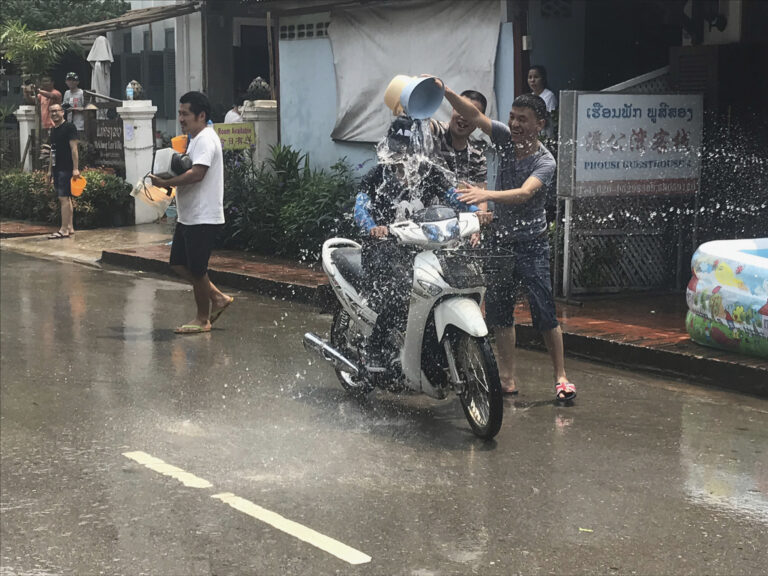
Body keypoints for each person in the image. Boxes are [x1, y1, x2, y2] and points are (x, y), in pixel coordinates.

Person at [437, 80, 576, 402]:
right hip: (498, 243)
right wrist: (445, 92)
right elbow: (472, 114)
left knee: (545, 312)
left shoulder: (545, 161)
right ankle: (507, 377)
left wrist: (486, 194)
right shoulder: (501, 138)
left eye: (523, 119)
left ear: (539, 124)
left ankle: (561, 376)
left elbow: (525, 193)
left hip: (532, 244)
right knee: (499, 313)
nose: (514, 124)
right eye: (512, 116)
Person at [354, 115, 480, 370]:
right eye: (398, 147)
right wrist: (373, 228)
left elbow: (455, 198)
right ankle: (376, 348)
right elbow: (360, 208)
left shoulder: (429, 174)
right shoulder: (376, 176)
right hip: (383, 248)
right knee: (399, 294)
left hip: (423, 247)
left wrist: (476, 214)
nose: (403, 154)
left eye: (409, 148)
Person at [149, 91, 234, 334]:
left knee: (197, 269)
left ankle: (202, 319)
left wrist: (167, 183)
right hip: (189, 216)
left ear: (201, 115)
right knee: (177, 263)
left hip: (203, 216)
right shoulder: (194, 138)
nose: (181, 118)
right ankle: (217, 297)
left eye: (185, 114)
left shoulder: (206, 138)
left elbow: (198, 173)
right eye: (180, 113)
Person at [46, 103, 79, 239]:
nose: (54, 114)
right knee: (66, 199)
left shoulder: (69, 127)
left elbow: (74, 149)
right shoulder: (54, 130)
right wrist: (49, 171)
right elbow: (52, 152)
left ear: (62, 112)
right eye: (51, 111)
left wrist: (76, 168)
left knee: (63, 198)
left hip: (66, 168)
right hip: (56, 168)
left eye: (56, 111)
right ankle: (70, 227)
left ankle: (63, 229)